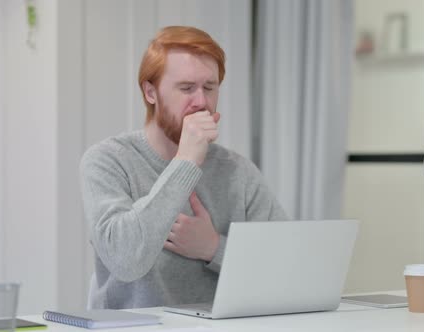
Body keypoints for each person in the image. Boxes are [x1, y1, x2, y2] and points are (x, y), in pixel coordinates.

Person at [80, 26, 288, 309]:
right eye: (187, 88)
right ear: (151, 92)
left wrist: (213, 247)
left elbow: (284, 267)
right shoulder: (107, 160)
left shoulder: (238, 171)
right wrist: (186, 162)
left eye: (209, 88)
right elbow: (124, 260)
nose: (201, 101)